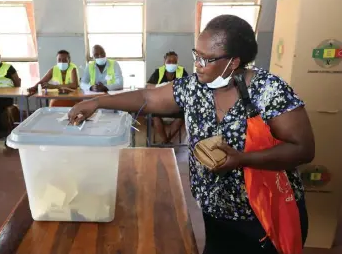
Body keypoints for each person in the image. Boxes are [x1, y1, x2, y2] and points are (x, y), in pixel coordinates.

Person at [68, 15, 314, 254]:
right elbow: (147, 97)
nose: (197, 64)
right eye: (197, 55)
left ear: (234, 62)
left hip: (264, 215)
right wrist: (99, 102)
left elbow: (302, 149)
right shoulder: (193, 87)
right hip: (215, 213)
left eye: (207, 59)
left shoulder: (268, 90)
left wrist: (242, 159)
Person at [147, 51, 189, 144]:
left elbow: (188, 87)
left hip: (176, 105)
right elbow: (148, 86)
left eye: (174, 61)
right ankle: (166, 141)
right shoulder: (159, 71)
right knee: (155, 117)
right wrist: (162, 86)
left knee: (181, 117)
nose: (172, 64)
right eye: (169, 61)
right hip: (160, 104)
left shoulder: (182, 71)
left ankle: (166, 141)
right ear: (164, 61)